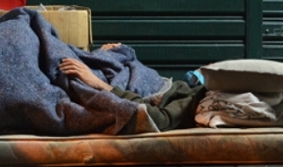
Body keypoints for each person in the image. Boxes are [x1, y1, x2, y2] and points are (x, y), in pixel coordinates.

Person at [59, 45, 207, 131]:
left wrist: (100, 84)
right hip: (149, 81)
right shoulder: (207, 90)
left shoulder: (200, 100)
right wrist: (117, 52)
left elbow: (159, 119)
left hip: (136, 89)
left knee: (64, 67)